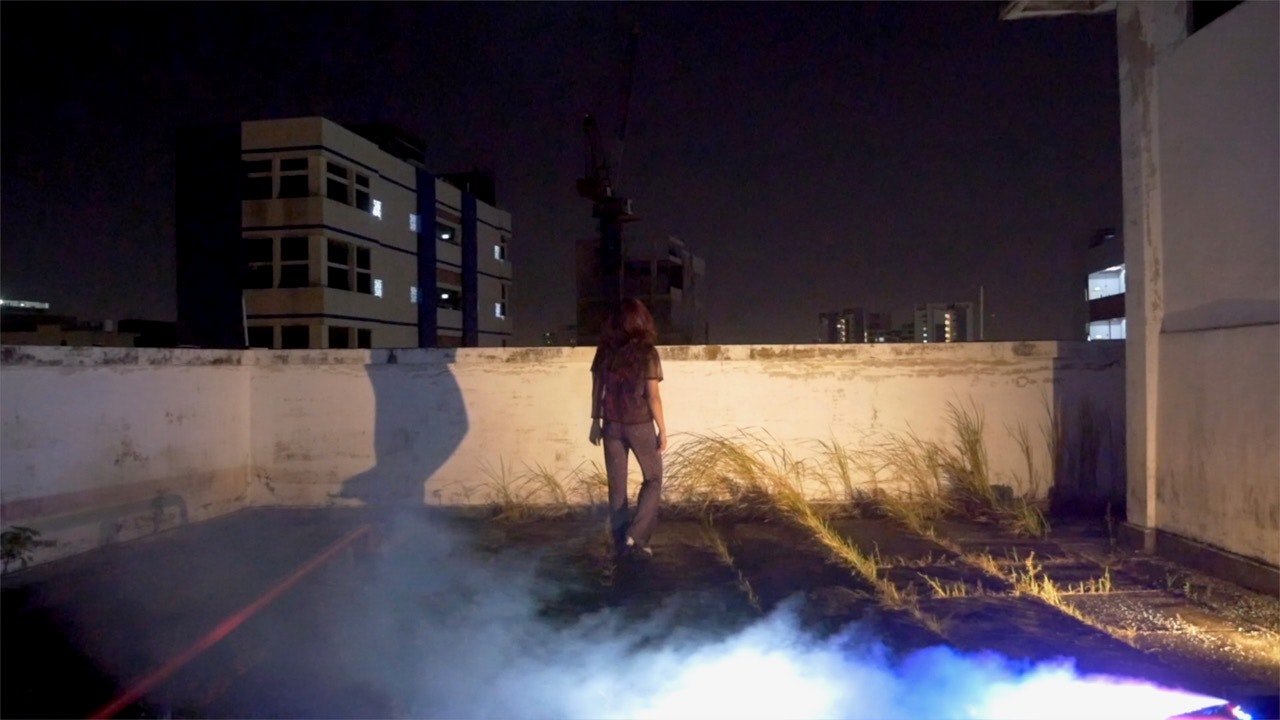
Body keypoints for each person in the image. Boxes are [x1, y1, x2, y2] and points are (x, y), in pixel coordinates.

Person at [589, 297, 667, 560]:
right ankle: (636, 535)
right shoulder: (647, 353)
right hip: (640, 425)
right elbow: (652, 396)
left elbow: (597, 389)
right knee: (654, 479)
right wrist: (662, 429)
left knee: (617, 489)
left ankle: (622, 543)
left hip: (611, 425)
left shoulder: (605, 352)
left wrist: (595, 422)